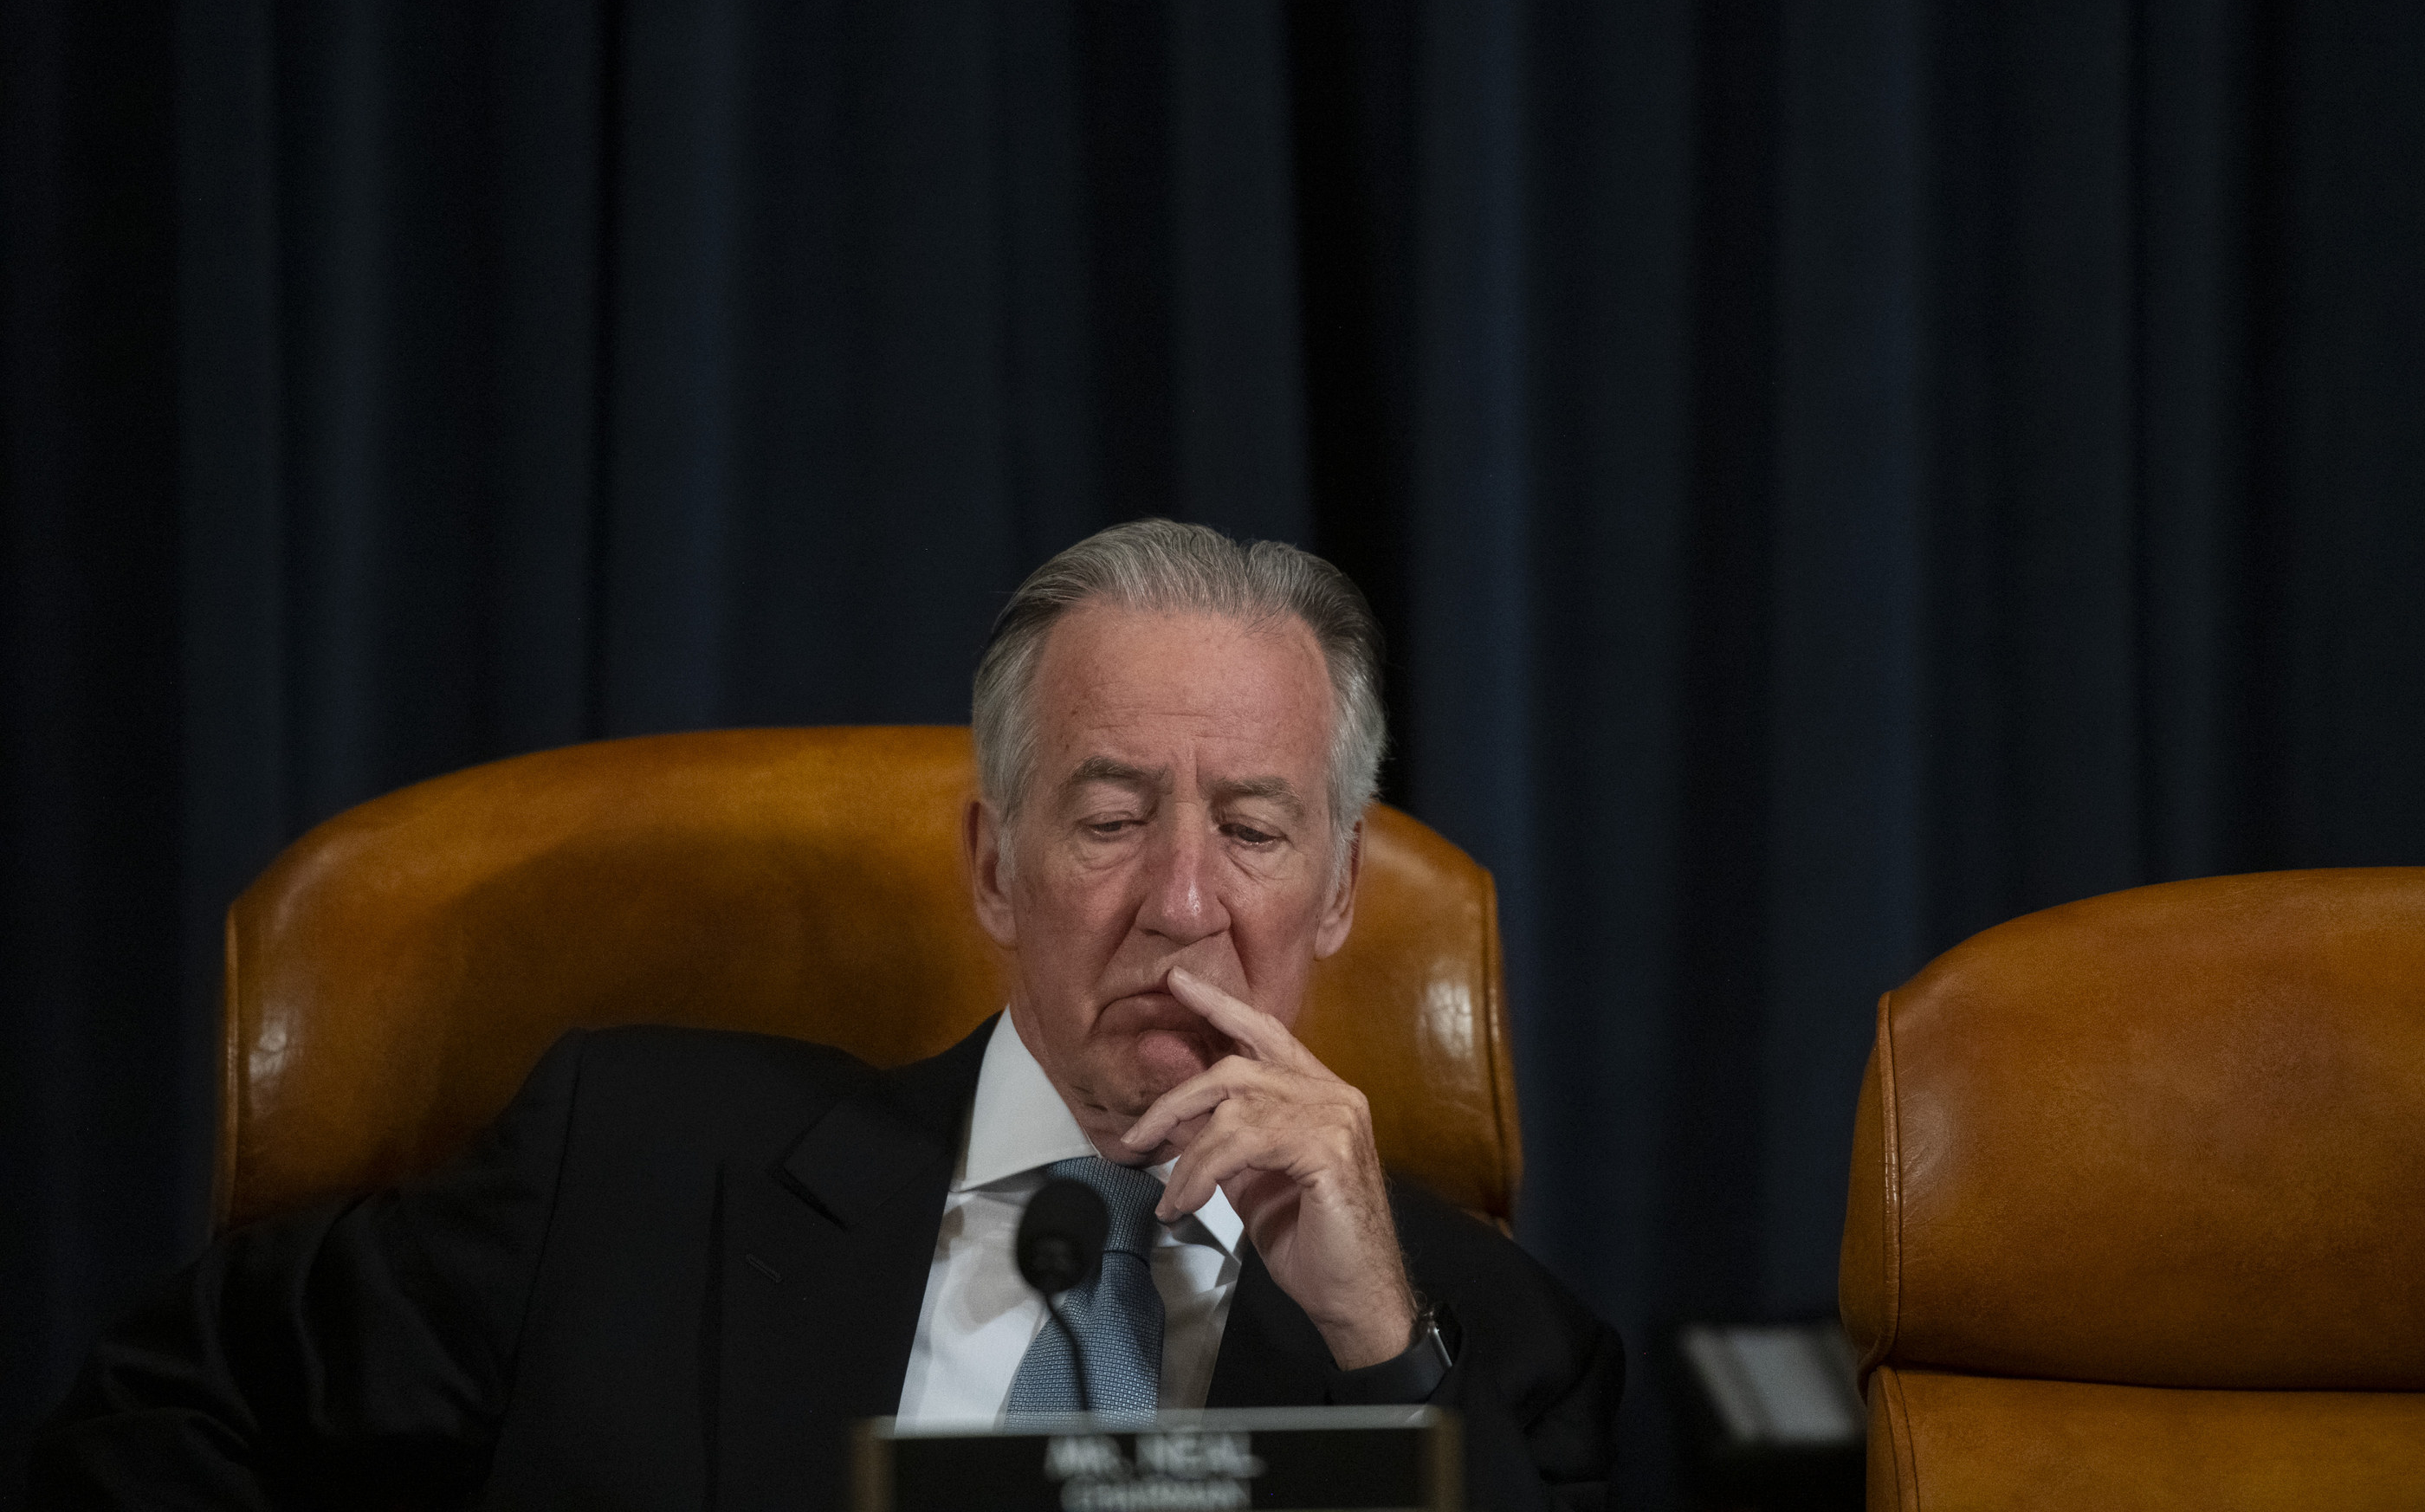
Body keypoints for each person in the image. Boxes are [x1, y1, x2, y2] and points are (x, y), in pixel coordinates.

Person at [30, 520, 1622, 1509]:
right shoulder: (633, 1173)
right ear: (995, 866)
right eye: (1111, 815)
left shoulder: (1481, 1347)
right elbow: (166, 1414)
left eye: (1257, 831)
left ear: (1338, 895)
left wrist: (1381, 1354)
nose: (1184, 902)